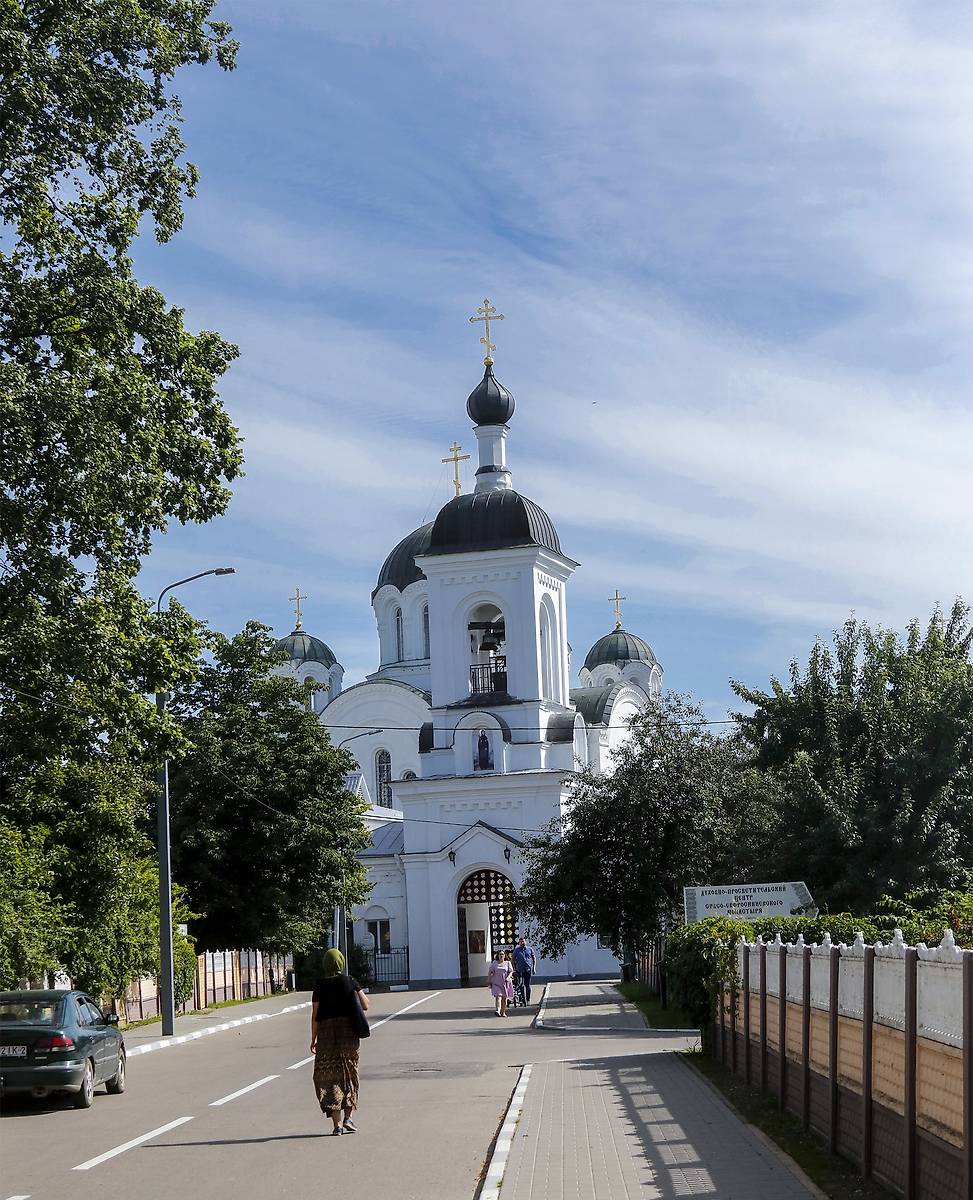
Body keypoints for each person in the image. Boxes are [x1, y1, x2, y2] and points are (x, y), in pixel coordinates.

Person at [310, 949, 370, 1134]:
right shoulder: (349, 981)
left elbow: (315, 1016)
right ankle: (349, 1119)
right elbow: (366, 1004)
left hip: (327, 1036)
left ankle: (336, 1125)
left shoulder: (319, 986)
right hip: (348, 1035)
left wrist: (313, 1038)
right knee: (349, 1073)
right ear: (341, 962)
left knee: (328, 1077)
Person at [512, 936, 537, 1005]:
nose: (522, 942)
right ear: (519, 943)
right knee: (521, 985)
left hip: (528, 970)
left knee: (527, 985)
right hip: (519, 970)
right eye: (521, 942)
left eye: (523, 941)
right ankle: (523, 1000)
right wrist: (514, 969)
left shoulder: (529, 949)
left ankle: (528, 999)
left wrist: (533, 968)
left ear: (525, 942)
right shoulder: (517, 950)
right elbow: (513, 959)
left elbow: (534, 958)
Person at [488, 949, 513, 1017]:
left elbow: (511, 971)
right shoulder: (495, 963)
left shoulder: (508, 963)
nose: (501, 955)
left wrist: (508, 977)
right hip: (496, 983)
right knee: (498, 996)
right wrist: (489, 981)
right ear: (498, 956)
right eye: (500, 954)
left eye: (502, 954)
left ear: (505, 955)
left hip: (505, 983)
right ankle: (498, 1010)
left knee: (504, 998)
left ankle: (503, 1012)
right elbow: (490, 972)